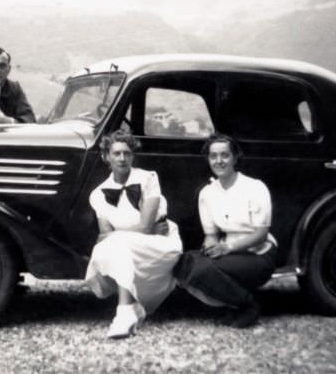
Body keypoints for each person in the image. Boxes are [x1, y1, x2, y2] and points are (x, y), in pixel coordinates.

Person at [84, 130, 183, 339]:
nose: (122, 158)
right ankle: (129, 309)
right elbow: (104, 236)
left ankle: (123, 314)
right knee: (119, 246)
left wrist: (137, 231)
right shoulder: (99, 194)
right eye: (117, 153)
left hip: (159, 242)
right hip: (129, 247)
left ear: (133, 156)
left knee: (119, 243)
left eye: (127, 153)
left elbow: (146, 228)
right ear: (106, 156)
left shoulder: (148, 179)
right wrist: (138, 231)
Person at [173, 133, 277, 328]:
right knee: (183, 263)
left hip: (259, 254)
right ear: (208, 159)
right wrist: (209, 249)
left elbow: (260, 235)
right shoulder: (207, 193)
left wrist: (226, 248)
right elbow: (211, 236)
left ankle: (248, 305)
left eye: (224, 155)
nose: (219, 161)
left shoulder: (255, 187)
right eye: (213, 156)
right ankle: (231, 305)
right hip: (228, 253)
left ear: (235, 157)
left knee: (202, 270)